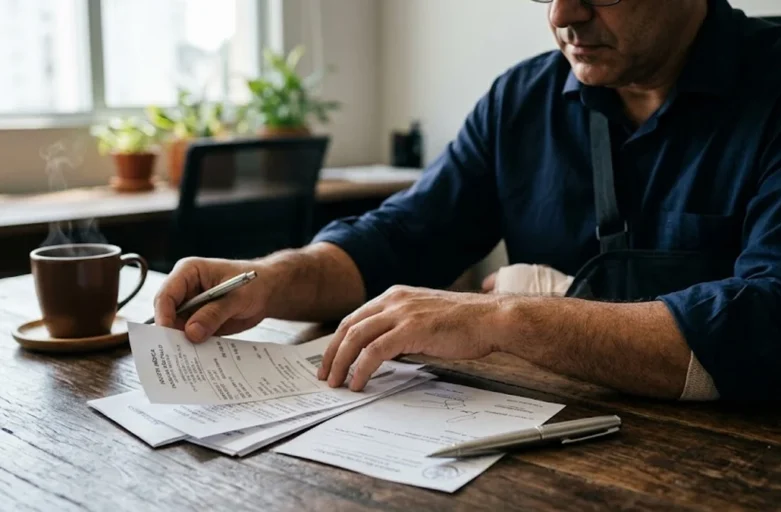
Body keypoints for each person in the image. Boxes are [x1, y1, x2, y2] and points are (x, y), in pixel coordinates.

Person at [154, 0, 781, 401]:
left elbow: (765, 319)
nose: (564, 13)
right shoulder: (521, 100)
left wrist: (504, 318)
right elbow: (404, 235)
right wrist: (267, 279)